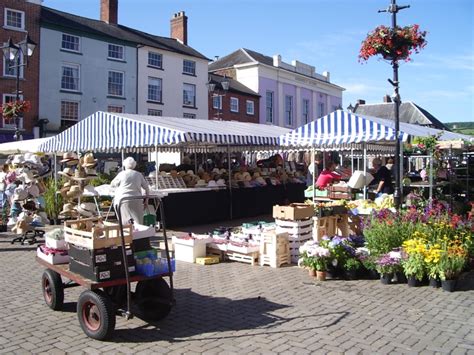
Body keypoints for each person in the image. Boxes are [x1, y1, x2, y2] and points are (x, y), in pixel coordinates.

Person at [111, 157, 150, 225]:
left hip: (123, 200)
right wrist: (146, 201)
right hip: (137, 199)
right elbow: (146, 188)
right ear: (134, 165)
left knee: (125, 223)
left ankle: (126, 234)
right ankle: (139, 235)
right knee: (139, 222)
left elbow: (112, 184)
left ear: (125, 165)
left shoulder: (122, 174)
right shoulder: (139, 174)